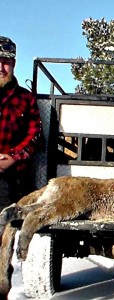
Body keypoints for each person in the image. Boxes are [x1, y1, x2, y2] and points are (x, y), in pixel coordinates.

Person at [0, 36, 43, 212]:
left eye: (6, 62)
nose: (1, 68)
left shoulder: (26, 98)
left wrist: (12, 158)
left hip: (13, 180)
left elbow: (35, 136)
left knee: (6, 229)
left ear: (14, 63)